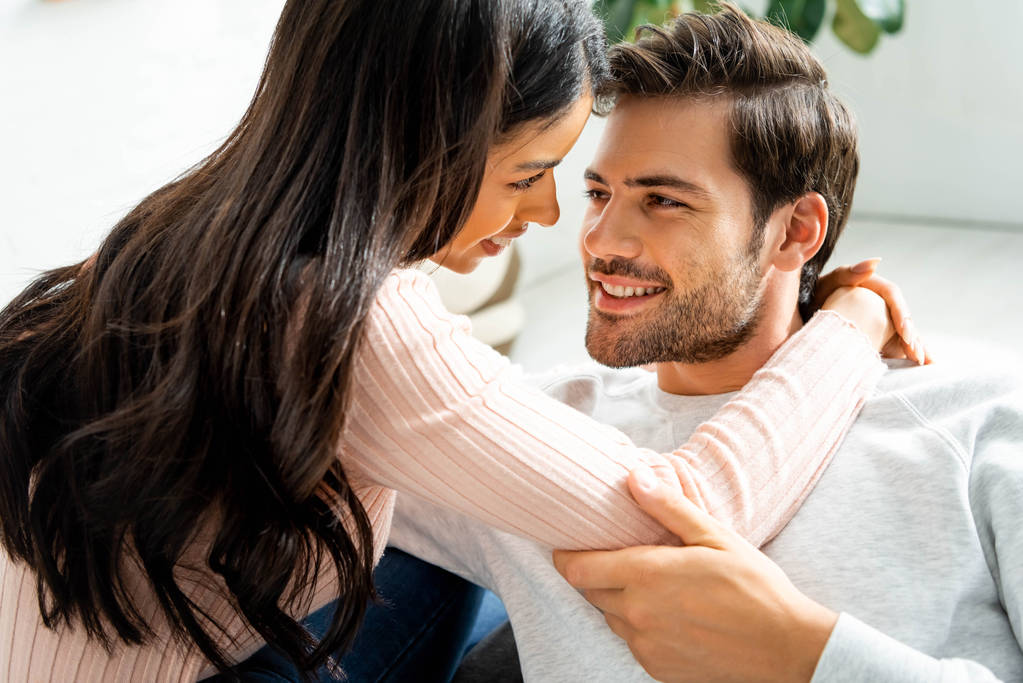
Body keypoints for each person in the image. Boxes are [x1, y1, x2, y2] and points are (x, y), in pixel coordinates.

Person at [0, 1, 913, 681]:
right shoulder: (357, 317)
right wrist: (850, 320)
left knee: (461, 576)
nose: (561, 220)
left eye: (658, 198)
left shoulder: (170, 241)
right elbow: (689, 515)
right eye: (534, 174)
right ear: (423, 142)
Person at [391, 6, 1023, 682]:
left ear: (793, 232)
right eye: (598, 193)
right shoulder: (528, 428)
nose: (601, 241)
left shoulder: (977, 420)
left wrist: (803, 651)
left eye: (662, 201)